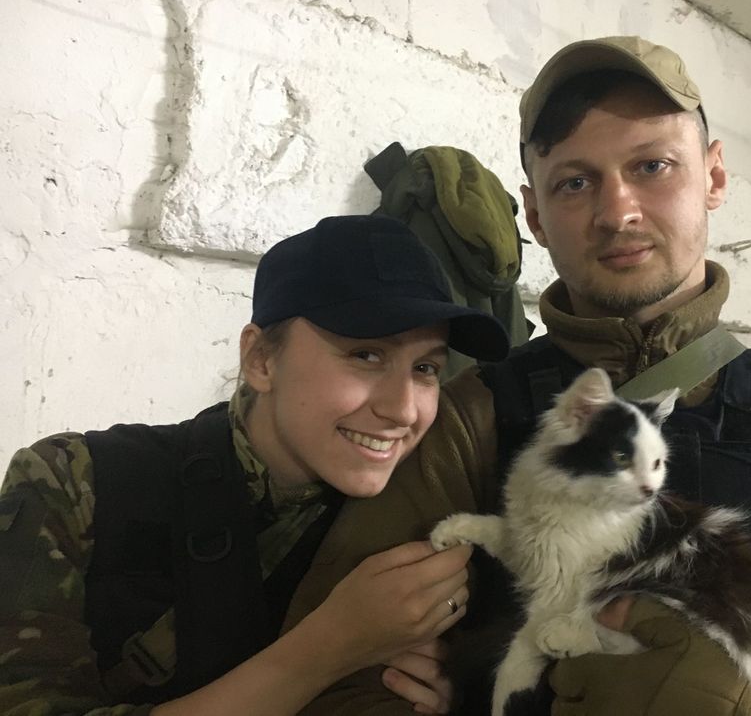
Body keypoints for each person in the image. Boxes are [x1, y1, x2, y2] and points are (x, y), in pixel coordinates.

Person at [285, 38, 751, 715]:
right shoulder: (468, 421)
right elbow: (337, 674)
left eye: (652, 166)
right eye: (576, 182)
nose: (617, 212)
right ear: (535, 214)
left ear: (713, 176)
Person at [0, 214, 512, 715]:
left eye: (425, 368)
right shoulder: (75, 483)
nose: (403, 409)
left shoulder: (425, 509)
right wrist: (330, 647)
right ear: (261, 360)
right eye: (366, 355)